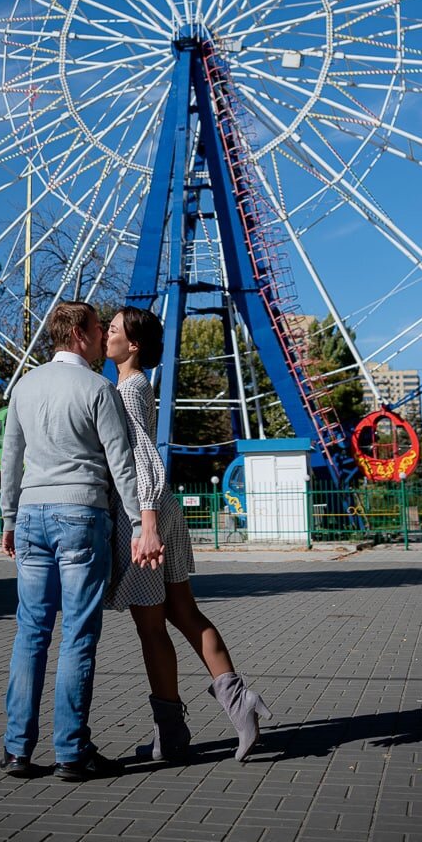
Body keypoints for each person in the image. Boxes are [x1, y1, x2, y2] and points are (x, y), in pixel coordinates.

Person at [0, 300, 159, 781]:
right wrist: (137, 522)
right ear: (80, 334)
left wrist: (9, 517)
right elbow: (122, 464)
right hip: (80, 515)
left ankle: (16, 750)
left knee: (31, 632)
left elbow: (11, 458)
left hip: (30, 514)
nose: (100, 336)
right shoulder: (98, 389)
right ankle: (71, 750)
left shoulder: (24, 387)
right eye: (96, 328)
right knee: (77, 635)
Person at [105, 305, 271, 763]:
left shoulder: (130, 387)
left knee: (151, 626)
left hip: (146, 512)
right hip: (164, 508)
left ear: (133, 345)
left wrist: (147, 521)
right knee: (185, 611)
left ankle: (172, 734)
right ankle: (241, 704)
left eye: (114, 330)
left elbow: (142, 454)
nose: (107, 335)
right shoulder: (134, 385)